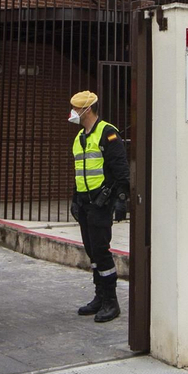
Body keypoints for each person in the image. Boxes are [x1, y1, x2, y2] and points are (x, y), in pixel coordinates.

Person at [68, 90, 129, 323]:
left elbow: (121, 170)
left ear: (87, 110)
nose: (73, 112)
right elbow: (79, 171)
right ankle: (100, 296)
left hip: (101, 202)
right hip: (84, 203)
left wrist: (120, 199)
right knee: (92, 250)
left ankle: (111, 302)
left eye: (76, 109)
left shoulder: (107, 133)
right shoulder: (80, 137)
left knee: (101, 251)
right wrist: (75, 199)